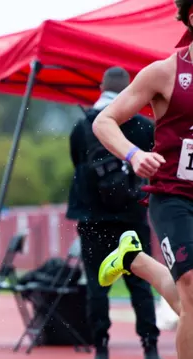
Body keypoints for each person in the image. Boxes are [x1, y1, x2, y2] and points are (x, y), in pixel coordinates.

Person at [94, 1, 193, 358]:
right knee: (192, 289)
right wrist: (134, 155)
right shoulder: (165, 72)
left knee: (189, 302)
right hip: (173, 197)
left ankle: (134, 260)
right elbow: (103, 121)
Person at [66, 66, 160, 359]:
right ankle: (150, 346)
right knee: (141, 283)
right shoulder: (144, 126)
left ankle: (102, 346)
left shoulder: (83, 126)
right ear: (129, 88)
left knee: (97, 285)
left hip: (92, 217)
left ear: (101, 86)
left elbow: (76, 164)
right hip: (132, 214)